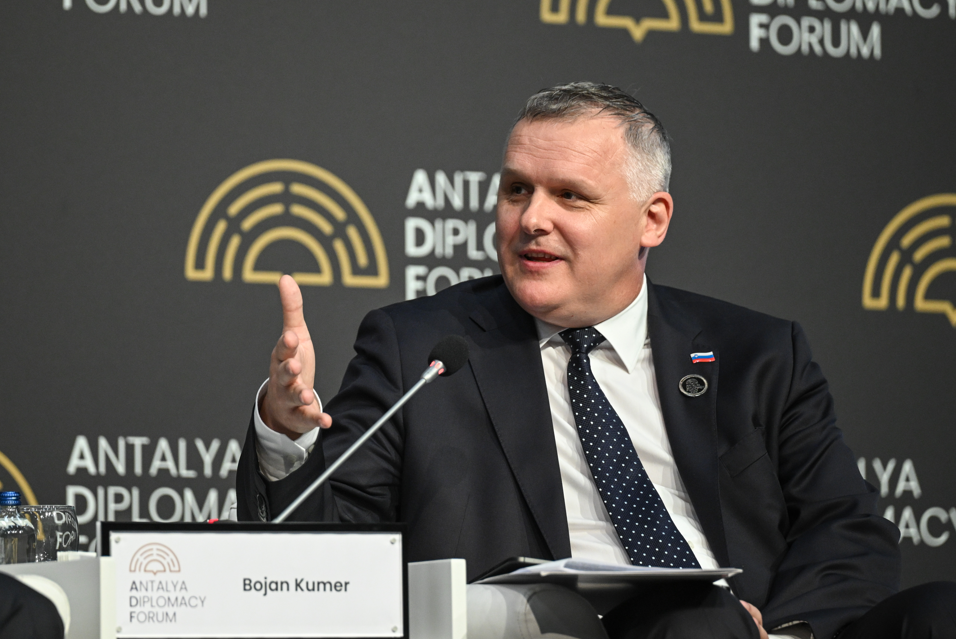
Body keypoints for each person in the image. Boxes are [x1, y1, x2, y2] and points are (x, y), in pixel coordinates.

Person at [237, 82, 954, 639]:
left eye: (569, 196)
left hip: (753, 626)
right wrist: (286, 434)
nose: (531, 219)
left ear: (652, 219)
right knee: (693, 619)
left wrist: (784, 633)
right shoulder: (421, 348)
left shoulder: (757, 352)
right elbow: (330, 557)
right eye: (517, 189)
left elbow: (847, 527)